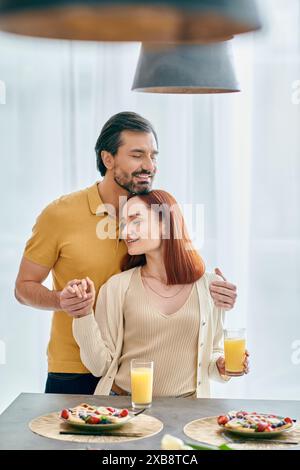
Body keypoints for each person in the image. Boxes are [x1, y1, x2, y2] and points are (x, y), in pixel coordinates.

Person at [15, 112, 238, 395]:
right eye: (137, 155)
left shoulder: (155, 210)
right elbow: (24, 288)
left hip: (135, 376)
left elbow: (180, 271)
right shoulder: (60, 214)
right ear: (108, 159)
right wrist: (62, 301)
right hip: (75, 369)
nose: (149, 166)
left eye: (153, 156)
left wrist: (217, 296)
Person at [70, 190, 248, 398]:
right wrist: (82, 315)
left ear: (166, 223)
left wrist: (221, 365)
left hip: (187, 413)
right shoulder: (116, 287)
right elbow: (100, 366)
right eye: (124, 224)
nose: (125, 232)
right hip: (125, 409)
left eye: (136, 221)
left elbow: (213, 353)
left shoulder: (211, 287)